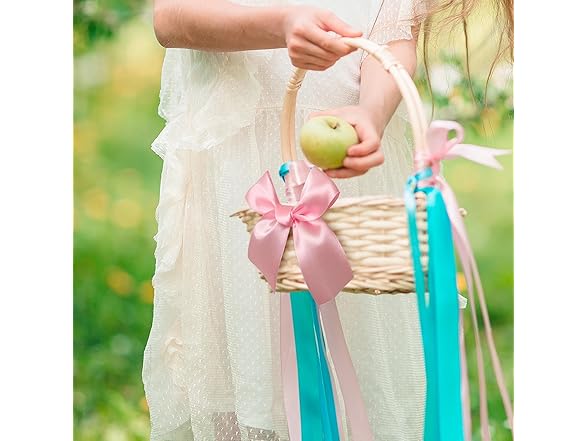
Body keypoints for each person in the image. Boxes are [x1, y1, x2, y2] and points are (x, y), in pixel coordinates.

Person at [141, 0, 512, 440]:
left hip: (347, 171)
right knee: (245, 364)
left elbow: (392, 26)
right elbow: (172, 17)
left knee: (362, 364)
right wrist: (281, 25)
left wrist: (372, 112)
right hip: (238, 173)